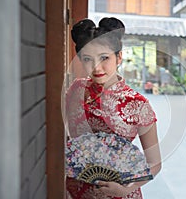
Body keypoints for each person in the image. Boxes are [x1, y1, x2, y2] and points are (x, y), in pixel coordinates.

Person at [64, 17, 161, 199]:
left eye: (104, 58)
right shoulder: (75, 90)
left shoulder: (137, 104)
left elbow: (154, 163)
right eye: (87, 59)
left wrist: (125, 189)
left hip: (120, 193)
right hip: (75, 192)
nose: (96, 67)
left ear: (119, 57)